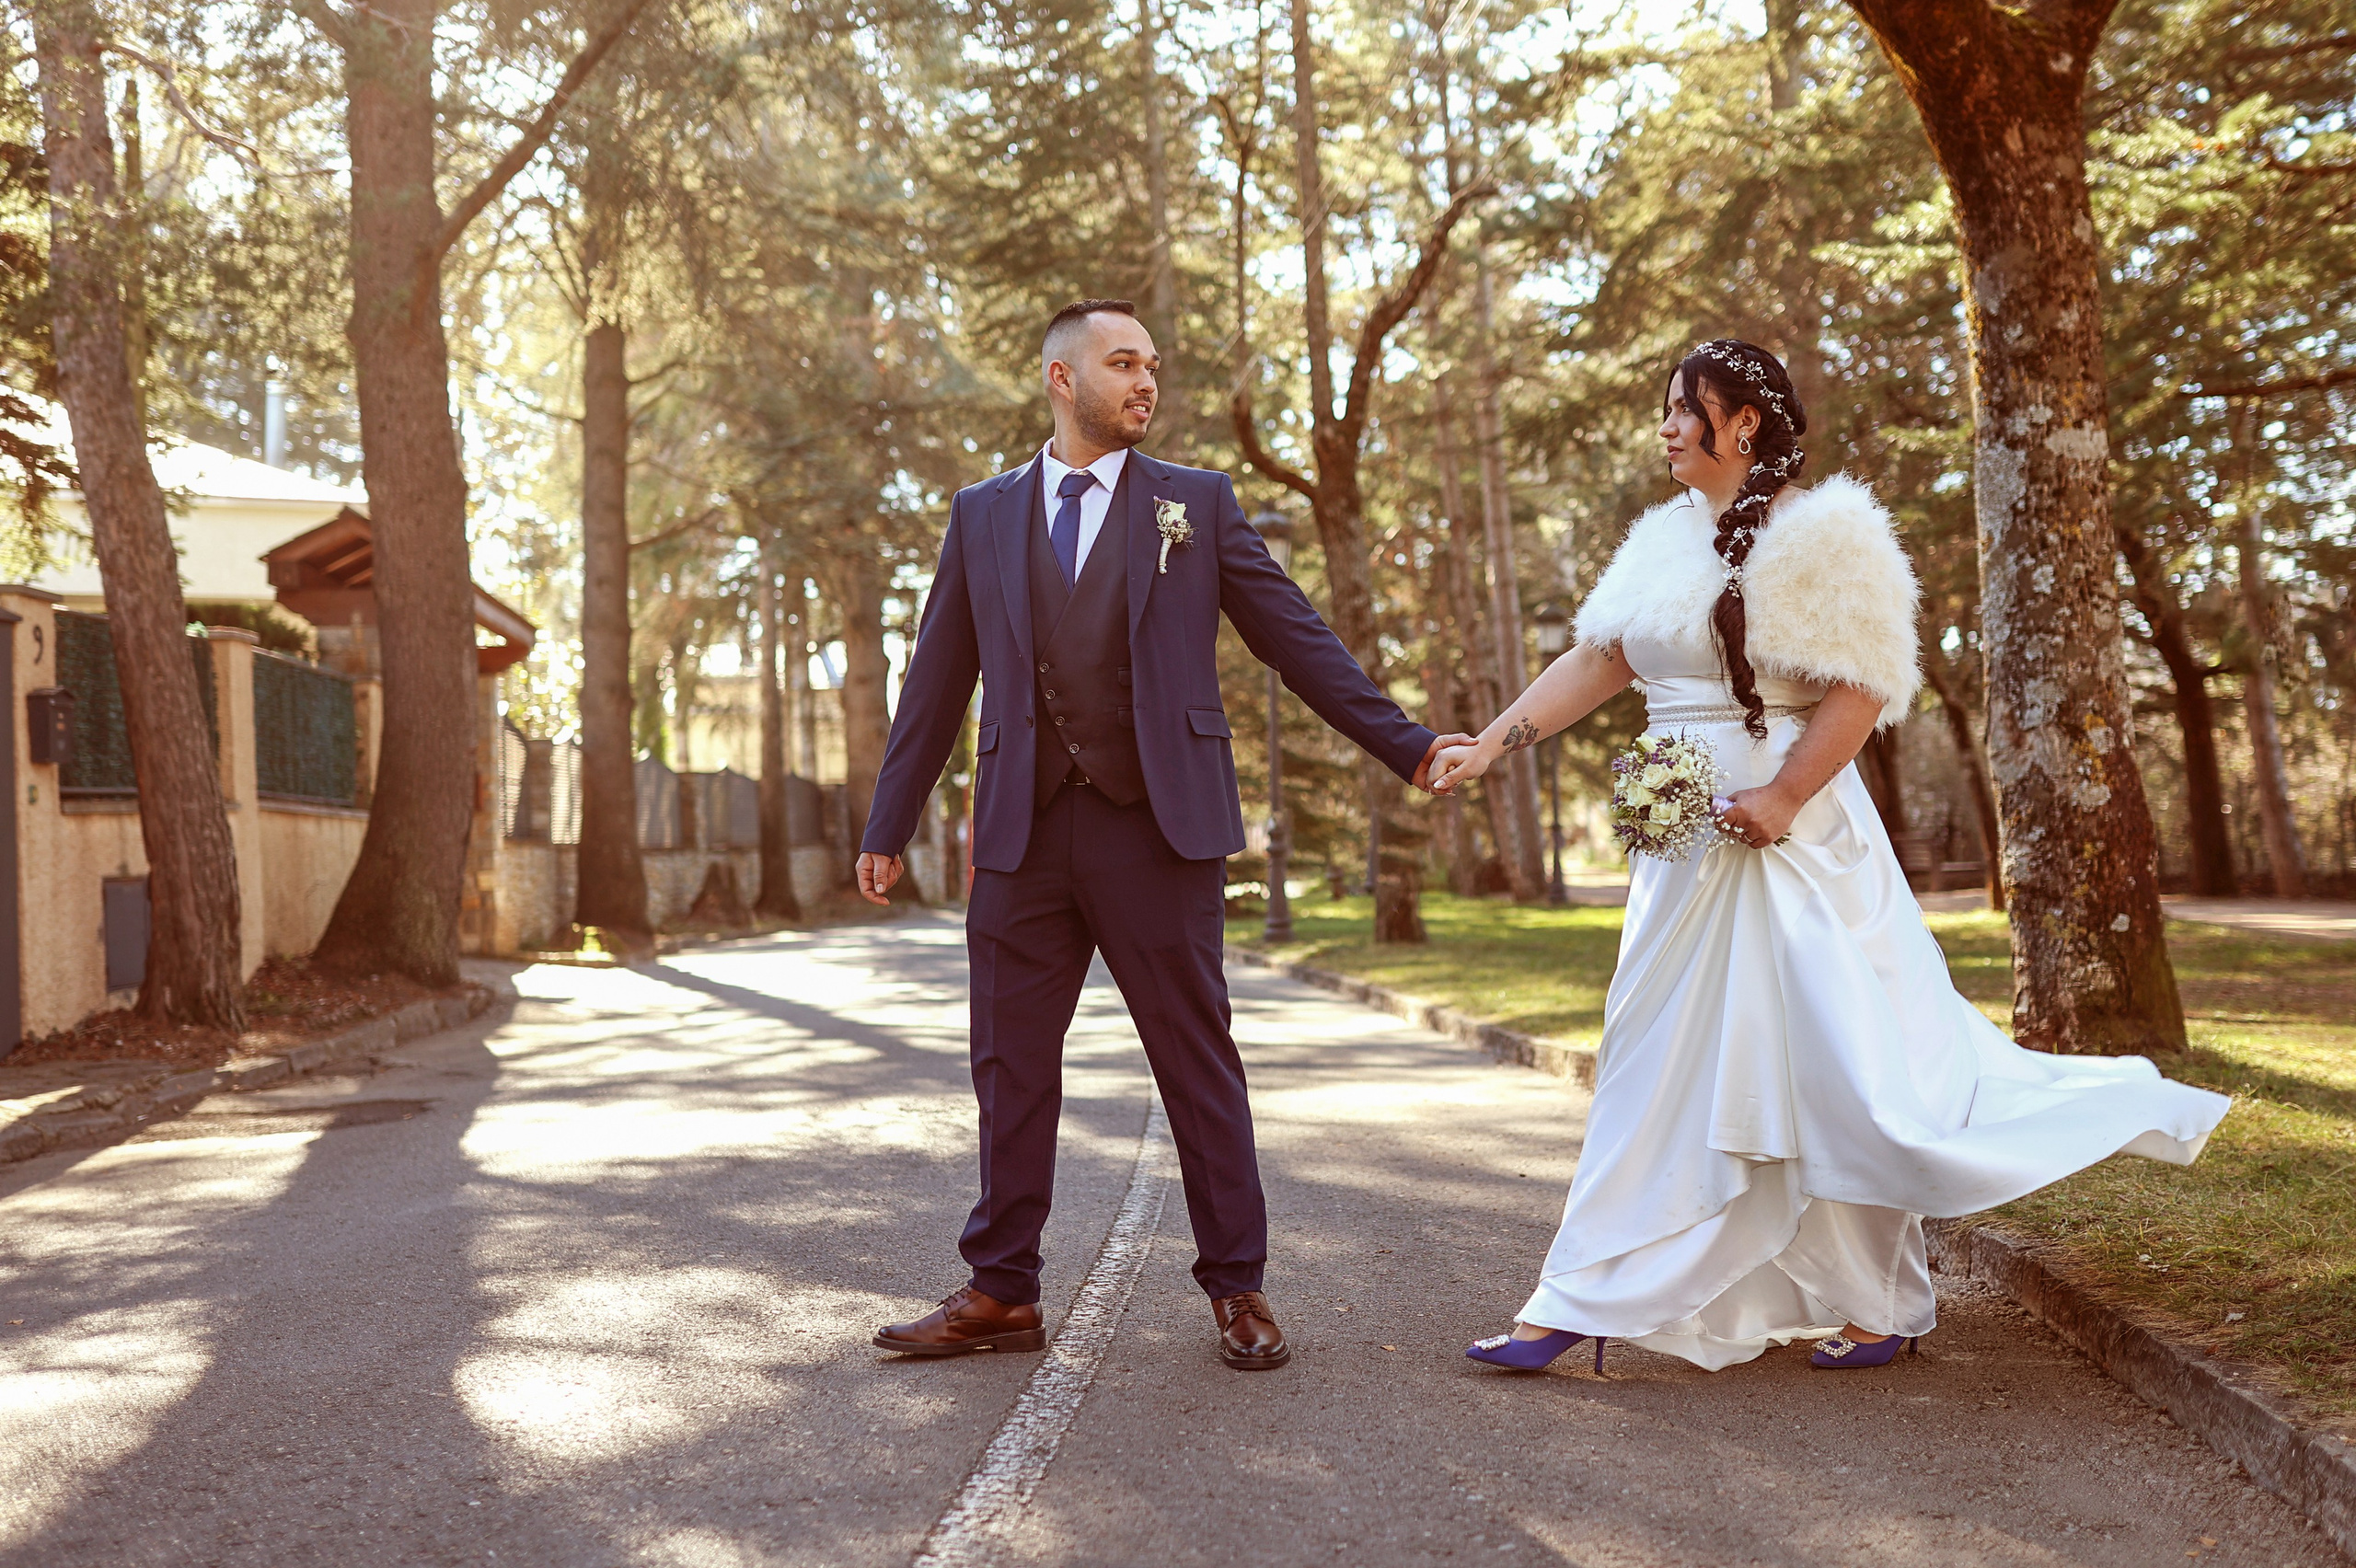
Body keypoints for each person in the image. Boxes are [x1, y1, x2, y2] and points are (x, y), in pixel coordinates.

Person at [1431, 340, 2229, 1374]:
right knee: (1651, 1061)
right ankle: (1588, 1292)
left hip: (1791, 841)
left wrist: (1780, 795)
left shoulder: (1827, 534)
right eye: (1665, 411)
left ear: (1744, 422)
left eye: (1684, 410)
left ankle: (1874, 1301)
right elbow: (1601, 656)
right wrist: (1490, 745)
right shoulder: (1663, 539)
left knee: (1837, 1075)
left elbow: (1858, 686)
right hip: (1680, 850)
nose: (1666, 428)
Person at [856, 299, 1468, 1371]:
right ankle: (1002, 1292)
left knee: (1196, 1063)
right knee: (1007, 1067)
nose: (1146, 383)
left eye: (1152, 366)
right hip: (1021, 832)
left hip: (1159, 829)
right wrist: (889, 818)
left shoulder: (1199, 503)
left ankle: (1238, 1288)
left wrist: (1406, 746)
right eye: (1123, 363)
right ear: (1062, 379)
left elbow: (1296, 639)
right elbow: (937, 677)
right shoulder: (982, 515)